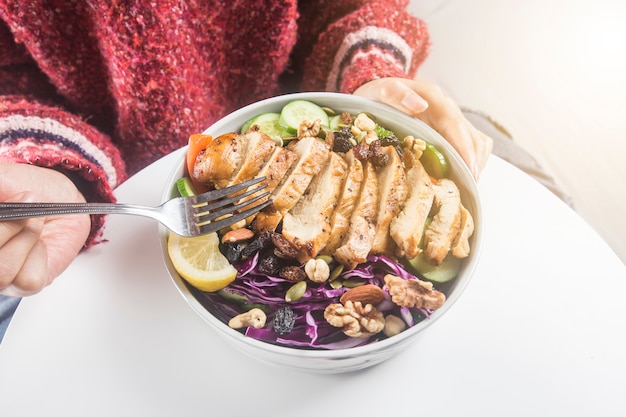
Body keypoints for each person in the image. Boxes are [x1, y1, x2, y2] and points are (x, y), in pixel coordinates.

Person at [0, 0, 495, 341]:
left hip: (291, 109)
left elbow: (347, 8)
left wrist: (367, 72)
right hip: (107, 191)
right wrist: (56, 169)